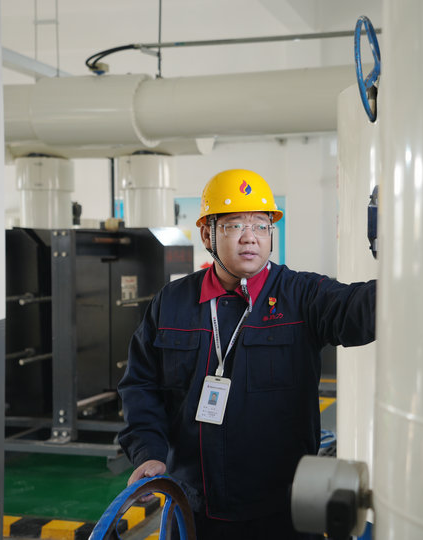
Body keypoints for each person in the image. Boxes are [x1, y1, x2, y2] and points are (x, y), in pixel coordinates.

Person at [117, 169, 376, 539]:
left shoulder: (302, 296)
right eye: (234, 225)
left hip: (281, 511)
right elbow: (140, 385)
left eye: (261, 225)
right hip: (193, 508)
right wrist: (149, 452)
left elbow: (359, 308)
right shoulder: (172, 303)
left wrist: (410, 275)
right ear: (207, 234)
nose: (250, 236)